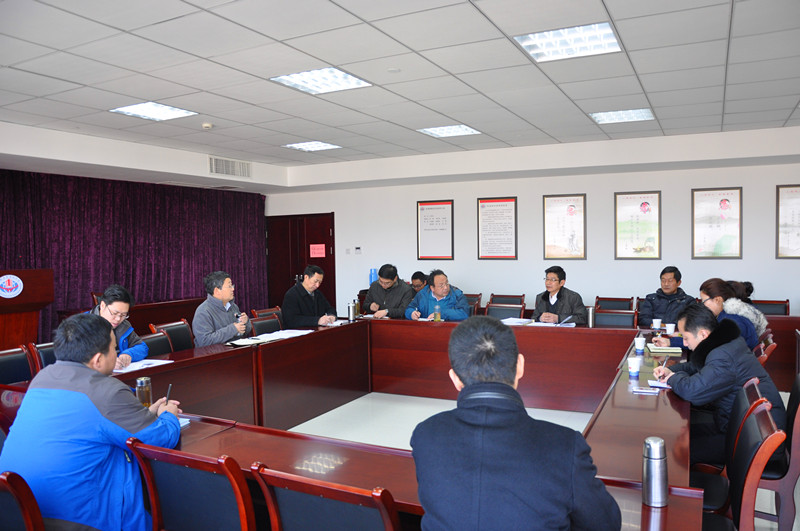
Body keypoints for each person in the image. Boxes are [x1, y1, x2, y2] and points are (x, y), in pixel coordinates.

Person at [411, 316, 621, 530]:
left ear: (455, 378)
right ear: (520, 365)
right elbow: (606, 524)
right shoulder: (565, 445)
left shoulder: (426, 434)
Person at [0, 313, 181, 531]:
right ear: (97, 360)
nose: (117, 354)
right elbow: (159, 440)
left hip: (19, 514)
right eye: (114, 349)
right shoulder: (107, 391)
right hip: (78, 521)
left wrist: (143, 415)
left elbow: (90, 424)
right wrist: (169, 415)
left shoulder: (43, 378)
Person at [653, 303, 785, 464]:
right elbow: (696, 367)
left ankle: (693, 480)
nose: (685, 344)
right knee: (675, 434)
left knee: (676, 449)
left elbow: (693, 392)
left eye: (685, 338)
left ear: (702, 334)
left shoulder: (723, 356)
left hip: (755, 441)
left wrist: (673, 378)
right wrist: (670, 370)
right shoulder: (725, 343)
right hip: (743, 426)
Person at [89, 284, 147, 369]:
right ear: (102, 305)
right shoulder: (82, 325)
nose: (118, 319)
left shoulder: (124, 325)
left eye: (123, 315)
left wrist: (128, 354)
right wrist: (106, 362)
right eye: (114, 313)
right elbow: (75, 357)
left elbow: (142, 347)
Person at [192, 270, 251, 346]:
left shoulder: (233, 306)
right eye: (229, 286)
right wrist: (233, 329)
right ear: (217, 291)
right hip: (214, 353)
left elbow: (243, 332)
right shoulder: (203, 311)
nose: (233, 289)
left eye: (232, 286)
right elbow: (204, 341)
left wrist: (245, 323)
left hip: (233, 349)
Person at [405, 269, 469, 321]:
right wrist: (411, 313)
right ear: (432, 288)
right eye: (441, 285)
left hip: (449, 330)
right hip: (426, 329)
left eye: (447, 283)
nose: (446, 287)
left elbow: (464, 314)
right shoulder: (422, 294)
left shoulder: (457, 295)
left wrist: (440, 314)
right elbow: (409, 309)